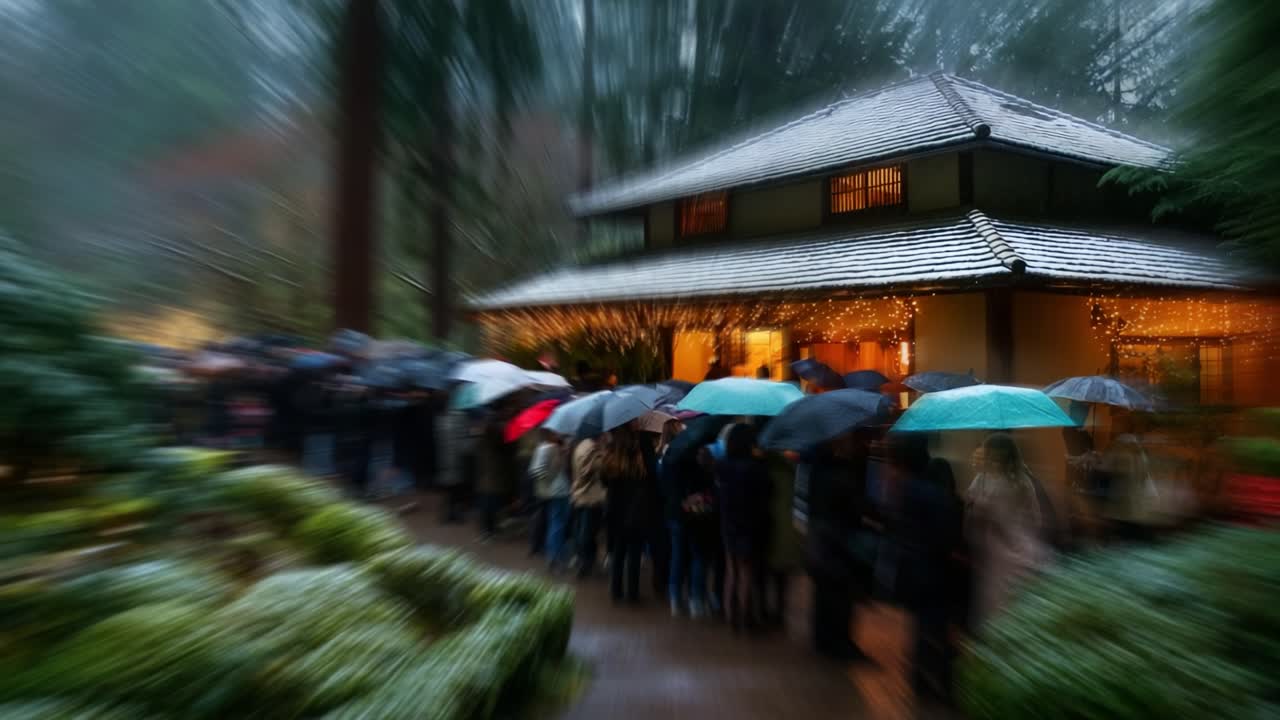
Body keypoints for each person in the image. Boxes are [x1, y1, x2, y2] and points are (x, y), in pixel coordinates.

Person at [893, 433, 962, 703]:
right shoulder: (932, 493)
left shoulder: (905, 486)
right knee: (936, 628)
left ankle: (921, 681)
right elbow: (945, 535)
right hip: (932, 569)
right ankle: (942, 684)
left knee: (923, 627)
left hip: (912, 567)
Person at [964, 433, 1050, 629]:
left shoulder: (1020, 481)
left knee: (1003, 599)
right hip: (998, 546)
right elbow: (970, 506)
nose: (993, 459)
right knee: (999, 599)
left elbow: (1035, 517)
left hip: (1009, 546)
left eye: (996, 455)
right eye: (991, 455)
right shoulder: (984, 478)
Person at [806, 430, 875, 660]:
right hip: (838, 540)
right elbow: (857, 506)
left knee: (824, 592)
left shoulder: (815, 471)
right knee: (840, 594)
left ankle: (822, 639)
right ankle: (841, 643)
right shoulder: (842, 474)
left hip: (819, 539)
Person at [716, 423, 772, 631]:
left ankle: (731, 617)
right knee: (746, 572)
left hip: (728, 521)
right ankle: (745, 619)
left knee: (732, 570)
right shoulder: (756, 468)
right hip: (750, 523)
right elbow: (767, 493)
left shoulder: (722, 465)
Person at [600, 426, 657, 603]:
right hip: (637, 509)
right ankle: (632, 593)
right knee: (634, 552)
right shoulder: (642, 449)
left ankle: (616, 591)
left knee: (618, 551)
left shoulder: (611, 451)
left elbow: (604, 481)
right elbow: (652, 475)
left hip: (616, 509)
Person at [764, 450, 802, 627]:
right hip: (787, 527)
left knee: (765, 575)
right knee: (782, 578)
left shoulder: (764, 469)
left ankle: (765, 610)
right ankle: (779, 614)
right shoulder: (792, 469)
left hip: (768, 524)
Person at [529, 429, 573, 570]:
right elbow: (537, 471)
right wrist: (552, 476)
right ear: (550, 434)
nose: (560, 435)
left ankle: (557, 553)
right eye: (557, 433)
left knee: (559, 523)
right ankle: (554, 556)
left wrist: (563, 455)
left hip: (562, 491)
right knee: (557, 524)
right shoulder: (546, 449)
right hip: (556, 492)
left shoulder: (554, 447)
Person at [570, 435, 606, 577]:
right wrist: (601, 454)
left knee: (582, 530)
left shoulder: (579, 446)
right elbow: (591, 471)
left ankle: (583, 561)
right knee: (587, 532)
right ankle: (586, 563)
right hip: (590, 497)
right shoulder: (591, 449)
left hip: (579, 495)